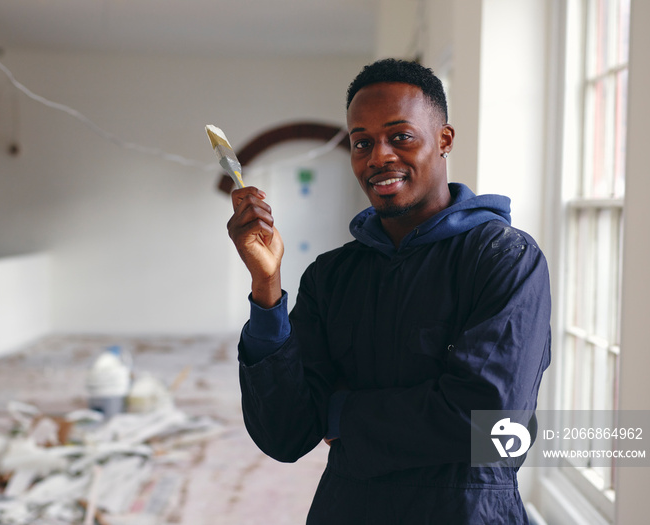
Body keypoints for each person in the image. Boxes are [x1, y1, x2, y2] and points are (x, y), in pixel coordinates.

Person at [226, 58, 551, 524]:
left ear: (444, 140)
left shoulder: (502, 258)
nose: (378, 157)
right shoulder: (332, 276)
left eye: (400, 136)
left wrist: (339, 414)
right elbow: (285, 434)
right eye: (362, 143)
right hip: (348, 508)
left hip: (466, 509)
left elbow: (491, 423)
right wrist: (266, 287)